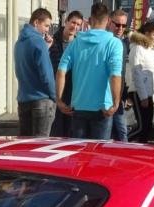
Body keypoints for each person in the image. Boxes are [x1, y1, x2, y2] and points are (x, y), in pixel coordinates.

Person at [56, 3, 124, 141]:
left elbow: (61, 71)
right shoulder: (114, 43)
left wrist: (59, 99)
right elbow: (115, 75)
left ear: (90, 20)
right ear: (108, 21)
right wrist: (116, 103)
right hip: (103, 108)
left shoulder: (76, 42)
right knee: (98, 151)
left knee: (79, 151)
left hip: (79, 106)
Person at [16, 8, 57, 137]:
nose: (47, 30)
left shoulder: (19, 42)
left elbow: (26, 67)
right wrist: (54, 96)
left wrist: (46, 48)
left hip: (24, 99)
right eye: (46, 25)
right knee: (41, 144)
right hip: (41, 99)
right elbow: (46, 75)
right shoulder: (38, 41)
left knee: (25, 144)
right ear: (36, 22)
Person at [50, 11, 86, 137]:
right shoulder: (52, 42)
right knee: (57, 131)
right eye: (73, 22)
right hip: (56, 92)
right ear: (66, 22)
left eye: (78, 24)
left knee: (72, 131)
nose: (75, 26)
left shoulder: (80, 44)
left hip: (73, 92)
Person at [129, 22, 154, 142]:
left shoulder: (151, 50)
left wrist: (153, 96)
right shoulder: (137, 48)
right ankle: (122, 143)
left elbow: (152, 74)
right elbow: (137, 73)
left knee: (147, 127)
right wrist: (143, 97)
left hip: (149, 93)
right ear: (146, 33)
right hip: (138, 92)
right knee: (142, 127)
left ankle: (141, 151)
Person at [108, 7, 132, 141]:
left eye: (124, 25)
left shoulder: (123, 44)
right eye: (117, 25)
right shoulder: (106, 42)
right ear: (109, 22)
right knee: (116, 133)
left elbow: (122, 72)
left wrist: (124, 95)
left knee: (121, 133)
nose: (120, 28)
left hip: (119, 96)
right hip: (106, 97)